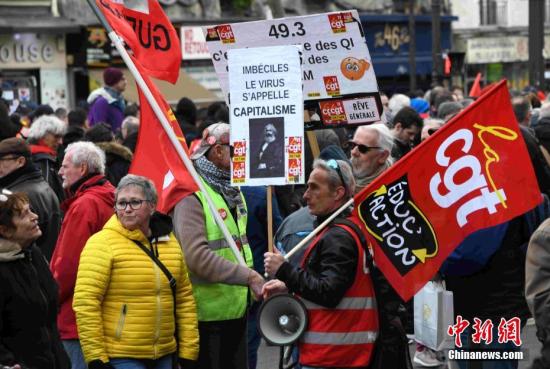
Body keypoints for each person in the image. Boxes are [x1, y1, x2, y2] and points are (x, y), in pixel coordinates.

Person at [73, 175, 199, 369]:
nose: (127, 209)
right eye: (121, 203)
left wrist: (189, 352)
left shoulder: (170, 242)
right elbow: (85, 303)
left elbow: (184, 299)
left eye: (134, 202)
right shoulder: (101, 243)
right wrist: (96, 358)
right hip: (121, 355)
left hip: (165, 353)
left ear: (152, 206)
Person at [264, 159, 378, 369]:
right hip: (336, 349)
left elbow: (328, 292)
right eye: (307, 187)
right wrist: (289, 287)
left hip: (333, 352)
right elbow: (331, 282)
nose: (306, 195)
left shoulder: (338, 237)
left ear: (338, 193)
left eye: (314, 188)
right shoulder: (343, 229)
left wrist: (284, 270)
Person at [171, 123, 264, 369]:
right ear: (219, 151)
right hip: (204, 318)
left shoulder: (232, 189)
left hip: (236, 312)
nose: (243, 156)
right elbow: (196, 257)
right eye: (237, 149)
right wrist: (249, 276)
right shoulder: (192, 194)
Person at [49, 142, 115, 369]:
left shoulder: (85, 205)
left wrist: (49, 299)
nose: (59, 172)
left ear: (83, 168)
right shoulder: (110, 196)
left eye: (65, 166)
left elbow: (68, 265)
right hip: (105, 314)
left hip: (77, 318)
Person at [0, 190, 69, 369]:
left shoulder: (33, 254)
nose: (35, 217)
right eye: (24, 215)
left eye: (31, 210)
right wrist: (7, 363)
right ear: (4, 230)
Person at [0, 137, 61, 261]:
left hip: (30, 265)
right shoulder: (41, 184)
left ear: (20, 161)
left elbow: (21, 242)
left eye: (1, 160)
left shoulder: (18, 196)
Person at [27, 114, 66, 202]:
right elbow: (47, 196)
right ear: (42, 135)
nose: (60, 141)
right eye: (56, 136)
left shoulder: (29, 153)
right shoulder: (44, 160)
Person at [350, 123, 394, 193]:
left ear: (383, 156)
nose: (354, 152)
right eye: (352, 145)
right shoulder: (341, 177)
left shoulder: (392, 189)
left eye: (362, 148)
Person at [87, 67, 127, 132]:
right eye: (122, 79)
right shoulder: (101, 102)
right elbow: (100, 129)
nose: (126, 82)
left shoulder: (118, 101)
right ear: (114, 80)